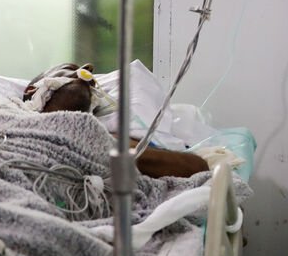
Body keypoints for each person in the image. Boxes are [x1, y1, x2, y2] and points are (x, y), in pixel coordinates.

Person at [22, 63, 208, 178]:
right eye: (69, 68)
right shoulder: (11, 120)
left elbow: (196, 167)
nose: (88, 68)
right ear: (32, 90)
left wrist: (98, 142)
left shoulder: (107, 137)